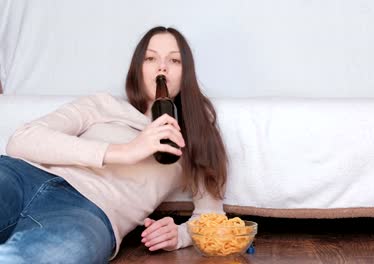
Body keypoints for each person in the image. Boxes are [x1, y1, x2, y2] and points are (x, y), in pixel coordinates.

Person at [0, 26, 227, 263]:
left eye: (174, 60)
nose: (162, 66)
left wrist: (179, 235)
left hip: (88, 212)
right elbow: (21, 140)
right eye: (150, 58)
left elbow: (210, 217)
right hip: (23, 177)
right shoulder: (103, 105)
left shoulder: (194, 140)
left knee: (64, 250)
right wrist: (125, 151)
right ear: (138, 69)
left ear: (186, 72)